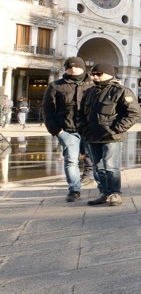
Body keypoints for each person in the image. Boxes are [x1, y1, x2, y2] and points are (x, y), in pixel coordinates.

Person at [78, 62, 141, 207]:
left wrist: (117, 128)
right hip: (92, 136)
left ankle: (114, 194)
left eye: (99, 74)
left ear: (109, 74)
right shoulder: (89, 92)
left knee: (111, 166)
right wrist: (82, 129)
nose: (95, 77)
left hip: (111, 137)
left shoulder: (121, 91)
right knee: (97, 167)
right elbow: (80, 113)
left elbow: (134, 112)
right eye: (93, 74)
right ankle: (104, 193)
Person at [42, 56, 92, 201]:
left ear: (83, 68)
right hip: (67, 130)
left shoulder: (93, 85)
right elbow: (47, 109)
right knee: (71, 160)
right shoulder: (55, 86)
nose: (73, 69)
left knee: (96, 159)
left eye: (76, 66)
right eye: (69, 67)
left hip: (89, 129)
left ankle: (103, 188)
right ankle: (74, 190)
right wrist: (56, 131)